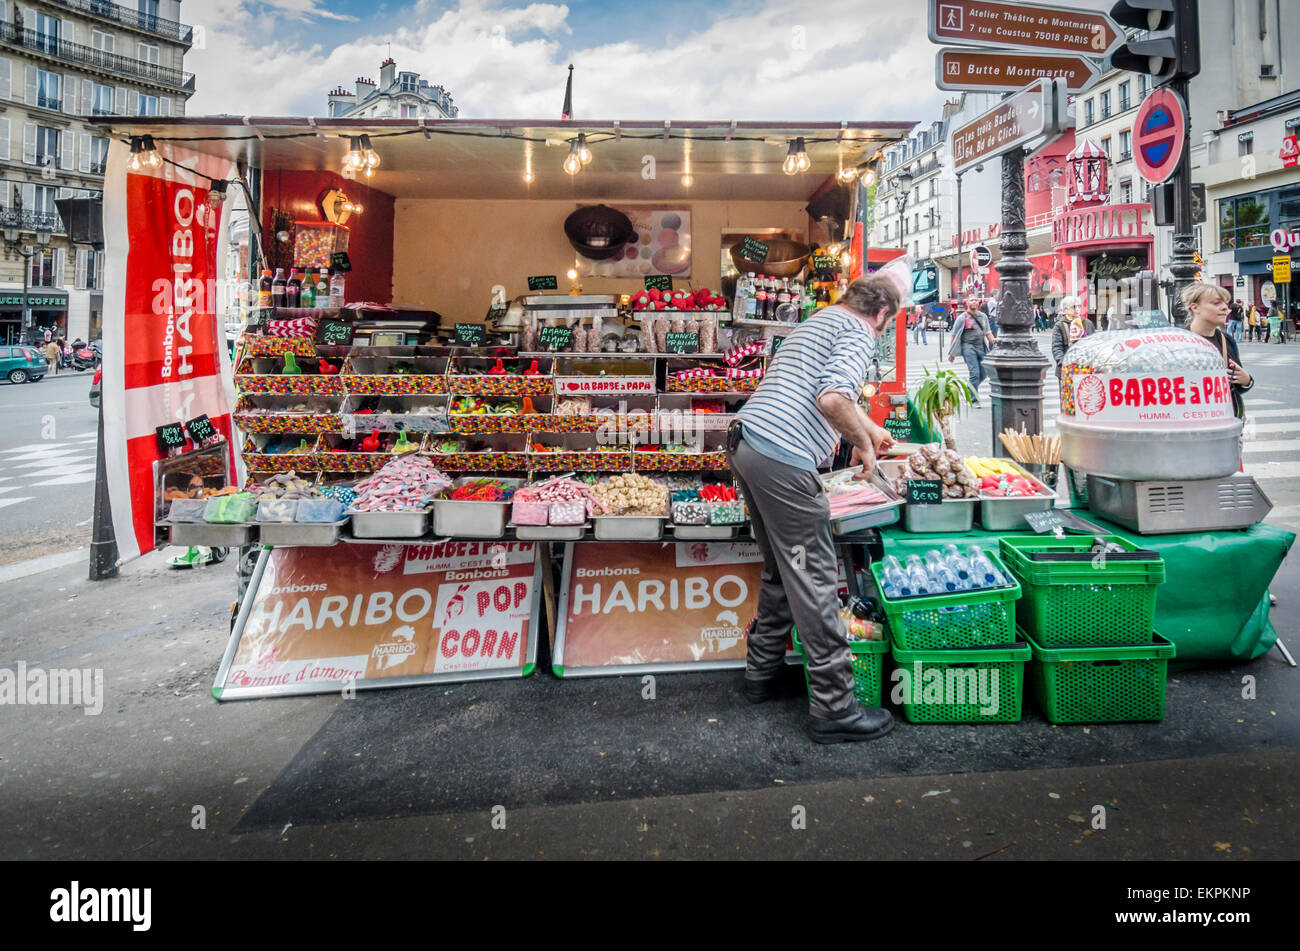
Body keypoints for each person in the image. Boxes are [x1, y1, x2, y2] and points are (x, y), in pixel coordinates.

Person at [729, 271, 901, 744]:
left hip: (748, 443)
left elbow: (821, 389)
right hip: (782, 453)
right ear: (882, 314)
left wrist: (868, 427)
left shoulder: (822, 319)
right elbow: (831, 397)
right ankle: (835, 708)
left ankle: (760, 675)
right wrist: (863, 442)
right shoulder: (859, 331)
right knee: (816, 575)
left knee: (784, 569)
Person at [1183, 283, 1252, 418]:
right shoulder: (1179, 340)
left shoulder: (1226, 340)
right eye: (1216, 303)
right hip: (1190, 420)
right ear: (1195, 307)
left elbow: (1235, 384)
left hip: (1223, 421)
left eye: (1225, 303)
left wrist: (1247, 380)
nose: (1225, 308)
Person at [947, 296, 994, 406]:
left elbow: (988, 332)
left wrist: (995, 343)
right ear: (967, 303)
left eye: (976, 300)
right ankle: (973, 399)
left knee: (984, 373)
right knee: (975, 373)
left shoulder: (983, 317)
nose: (974, 301)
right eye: (972, 300)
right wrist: (952, 353)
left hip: (981, 348)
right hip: (968, 348)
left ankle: (969, 389)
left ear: (979, 303)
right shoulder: (962, 317)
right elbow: (954, 336)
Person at [1050, 296, 1095, 379]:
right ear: (1065, 310)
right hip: (1067, 369)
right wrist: (1063, 363)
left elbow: (1094, 345)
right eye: (1074, 306)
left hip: (1086, 367)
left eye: (1079, 306)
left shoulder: (1087, 323)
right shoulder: (1060, 325)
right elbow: (1057, 347)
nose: (1077, 309)